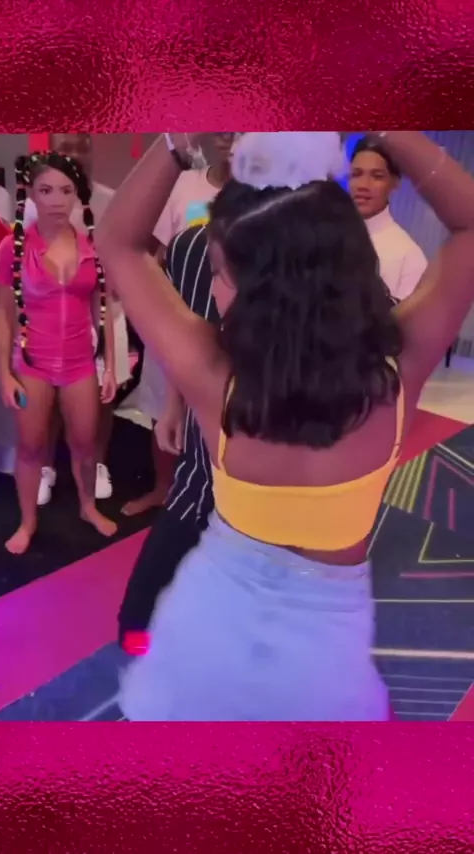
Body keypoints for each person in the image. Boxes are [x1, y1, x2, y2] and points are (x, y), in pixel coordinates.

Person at [96, 131, 474, 721]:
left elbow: (117, 240)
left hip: (214, 614)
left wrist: (176, 138)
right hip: (325, 642)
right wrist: (389, 125)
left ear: (265, 290)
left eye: (219, 273)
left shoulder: (211, 375)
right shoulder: (401, 369)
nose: (212, 289)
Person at [0, 151, 117, 554]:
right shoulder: (13, 248)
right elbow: (2, 312)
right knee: (31, 447)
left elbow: (103, 312)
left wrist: (110, 366)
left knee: (85, 444)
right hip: (31, 364)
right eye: (46, 190)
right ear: (31, 193)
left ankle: (87, 507)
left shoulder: (93, 248)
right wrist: (4, 373)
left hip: (81, 363)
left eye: (66, 190)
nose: (57, 200)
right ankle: (27, 522)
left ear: (77, 195)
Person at [122, 132, 236, 517]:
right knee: (165, 410)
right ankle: (164, 489)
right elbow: (152, 251)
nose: (230, 134)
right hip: (176, 316)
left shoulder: (271, 194)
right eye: (224, 125)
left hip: (233, 334)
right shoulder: (184, 183)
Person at [118, 223, 216, 651]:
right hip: (205, 452)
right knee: (136, 624)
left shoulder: (322, 244)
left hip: (277, 476)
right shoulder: (193, 246)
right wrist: (174, 404)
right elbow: (188, 340)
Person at [24, 134, 131, 505]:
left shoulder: (110, 199)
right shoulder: (34, 203)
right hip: (52, 315)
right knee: (49, 394)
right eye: (66, 146)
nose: (75, 153)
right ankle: (45, 466)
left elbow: (127, 249)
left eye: (81, 146)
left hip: (104, 308)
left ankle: (96, 464)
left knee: (104, 393)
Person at [349, 136, 427, 301]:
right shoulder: (326, 237)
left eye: (377, 176)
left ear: (395, 182)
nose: (363, 185)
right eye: (357, 174)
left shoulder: (408, 256)